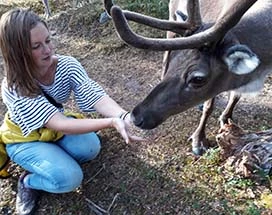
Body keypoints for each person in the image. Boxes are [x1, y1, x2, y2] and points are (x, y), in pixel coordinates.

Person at [0, 8, 142, 215]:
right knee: (68, 179)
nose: (47, 50)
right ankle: (29, 181)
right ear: (17, 53)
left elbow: (93, 93)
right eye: (36, 46)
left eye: (48, 41)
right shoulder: (14, 88)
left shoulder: (67, 65)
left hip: (53, 131)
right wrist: (111, 122)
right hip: (24, 138)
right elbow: (60, 123)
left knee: (90, 148)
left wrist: (122, 115)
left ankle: (52, 160)